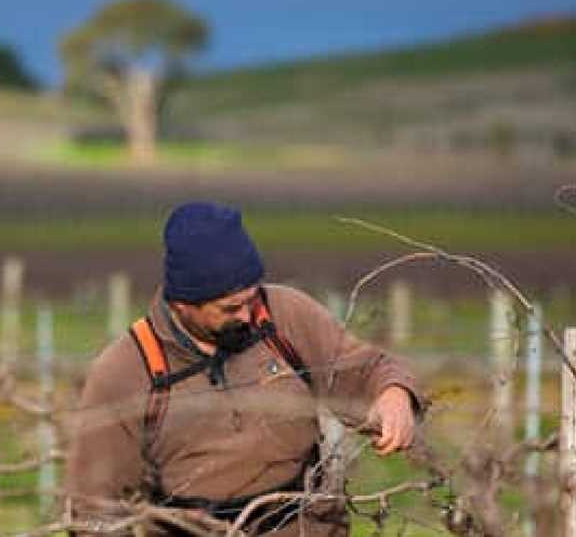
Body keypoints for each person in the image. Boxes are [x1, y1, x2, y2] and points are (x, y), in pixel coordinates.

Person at [66, 202, 423, 536]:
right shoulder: (127, 371)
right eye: (231, 307)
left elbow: (366, 370)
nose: (248, 315)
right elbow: (95, 507)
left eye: (252, 298)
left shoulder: (285, 317)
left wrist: (393, 395)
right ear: (183, 303)